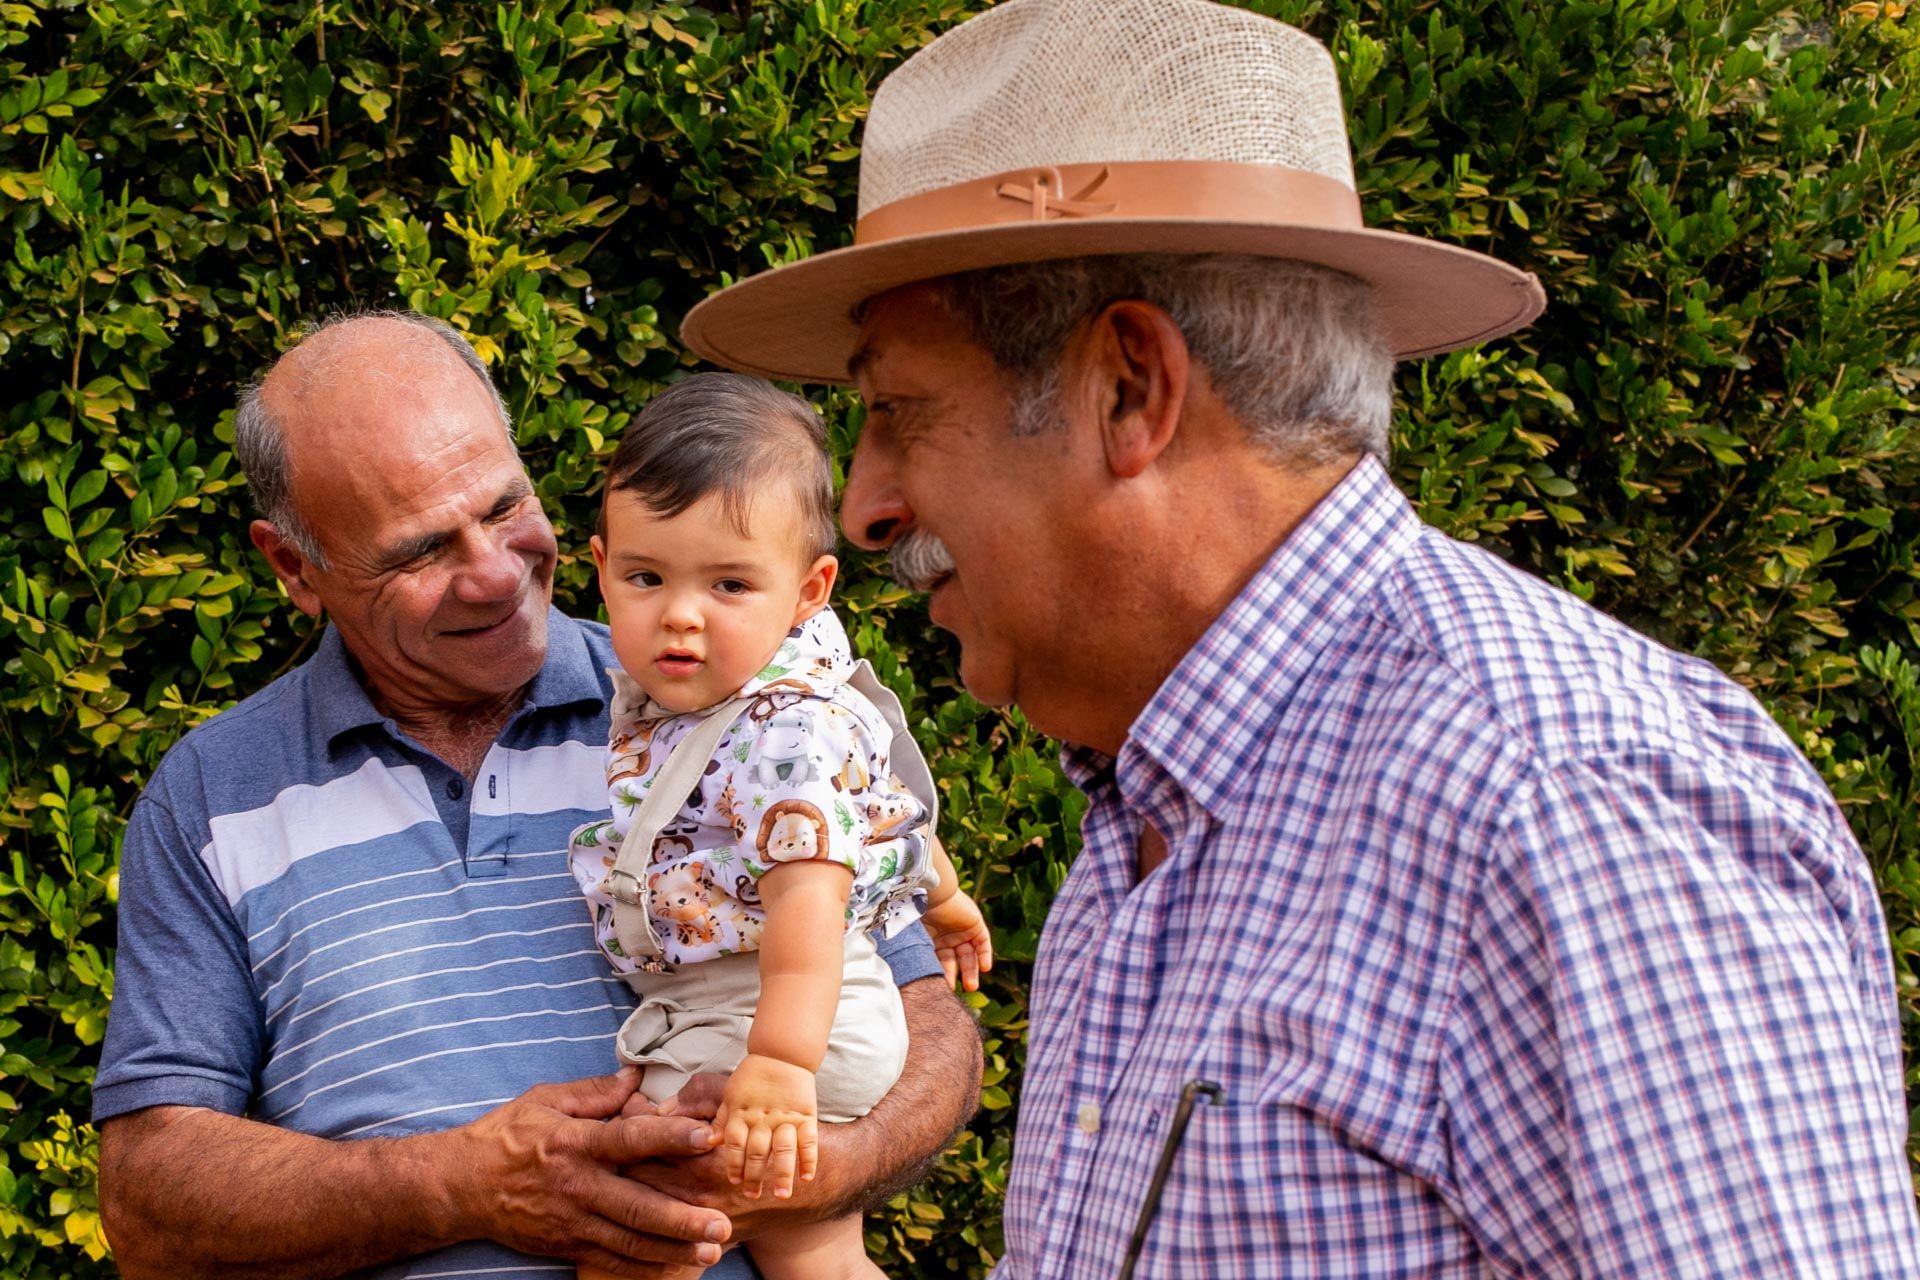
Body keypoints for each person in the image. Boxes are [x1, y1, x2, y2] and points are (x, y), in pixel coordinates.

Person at [676, 0, 1920, 1275]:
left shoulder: (1566, 800)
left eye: (900, 409)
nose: (868, 506)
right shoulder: (1164, 805)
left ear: (1130, 389)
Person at [91, 312, 983, 1280]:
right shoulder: (212, 796)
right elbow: (149, 1200)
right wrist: (455, 1186)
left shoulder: (729, 707)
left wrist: (798, 1175)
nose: (494, 573)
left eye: (505, 505)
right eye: (420, 551)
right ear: (295, 569)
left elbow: (927, 1027)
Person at [569, 371, 992, 1280]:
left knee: (636, 1194)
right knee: (816, 1253)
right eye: (645, 577)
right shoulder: (784, 698)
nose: (680, 614)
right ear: (600, 569)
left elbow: (808, 911)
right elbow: (883, 808)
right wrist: (947, 901)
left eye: (729, 583)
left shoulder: (780, 733)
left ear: (808, 591)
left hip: (777, 1019)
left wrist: (779, 1066)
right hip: (810, 1013)